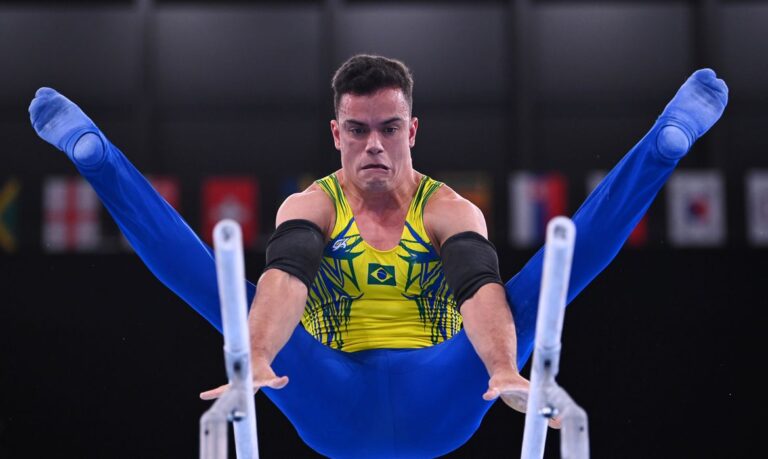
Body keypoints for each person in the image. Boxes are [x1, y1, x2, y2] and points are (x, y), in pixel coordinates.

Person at [29, 54, 727, 458]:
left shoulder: (449, 207)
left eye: (389, 129)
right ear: (336, 132)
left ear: (412, 129)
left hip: (446, 392)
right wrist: (259, 359)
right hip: (329, 395)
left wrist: (504, 371)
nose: (374, 146)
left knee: (538, 286)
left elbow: (478, 290)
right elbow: (285, 279)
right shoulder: (314, 205)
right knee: (234, 299)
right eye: (358, 130)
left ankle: (661, 148)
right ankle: (100, 159)